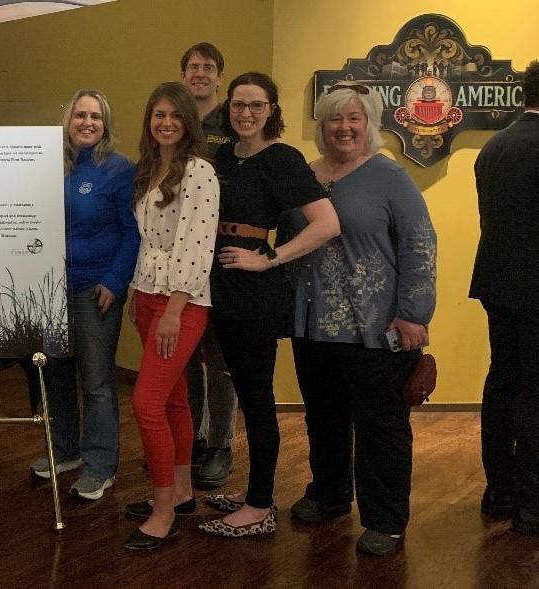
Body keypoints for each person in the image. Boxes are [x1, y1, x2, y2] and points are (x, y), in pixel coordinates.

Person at [288, 82, 436, 556]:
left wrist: (414, 313)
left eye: (355, 118)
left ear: (370, 124)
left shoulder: (390, 177)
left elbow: (419, 243)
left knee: (382, 425)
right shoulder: (305, 176)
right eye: (334, 118)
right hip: (311, 326)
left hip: (376, 328)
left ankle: (385, 519)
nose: (344, 127)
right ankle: (329, 495)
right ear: (322, 126)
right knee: (323, 418)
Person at [197, 72, 339, 537]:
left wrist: (269, 259)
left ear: (272, 110)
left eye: (257, 106)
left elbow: (326, 224)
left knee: (257, 399)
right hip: (216, 283)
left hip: (253, 295)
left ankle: (259, 505)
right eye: (239, 104)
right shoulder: (223, 156)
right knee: (241, 393)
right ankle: (254, 489)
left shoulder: (282, 159)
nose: (246, 113)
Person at [27, 89, 139, 500]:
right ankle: (64, 451)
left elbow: (133, 233)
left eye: (95, 116)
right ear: (68, 121)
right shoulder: (48, 166)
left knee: (96, 382)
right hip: (50, 290)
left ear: (105, 124)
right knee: (55, 374)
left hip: (96, 291)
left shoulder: (119, 170)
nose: (87, 122)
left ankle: (99, 466)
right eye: (80, 115)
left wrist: (115, 280)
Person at [122, 82, 217, 551]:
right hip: (146, 294)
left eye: (175, 116)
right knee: (175, 399)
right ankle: (180, 491)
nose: (166, 123)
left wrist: (174, 311)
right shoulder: (151, 170)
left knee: (146, 404)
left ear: (188, 122)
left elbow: (196, 248)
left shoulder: (199, 172)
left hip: (180, 302)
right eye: (158, 115)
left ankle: (163, 512)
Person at [471, 60, 539, 537]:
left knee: (502, 380)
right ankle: (533, 503)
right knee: (535, 391)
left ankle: (499, 489)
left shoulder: (494, 146)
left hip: (497, 281)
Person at [179, 41, 239, 489]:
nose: (200, 73)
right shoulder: (173, 121)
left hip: (220, 255)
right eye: (193, 67)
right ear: (183, 76)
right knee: (185, 357)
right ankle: (192, 439)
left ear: (219, 76)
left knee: (219, 358)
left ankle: (220, 445)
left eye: (208, 67)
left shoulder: (232, 123)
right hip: (180, 255)